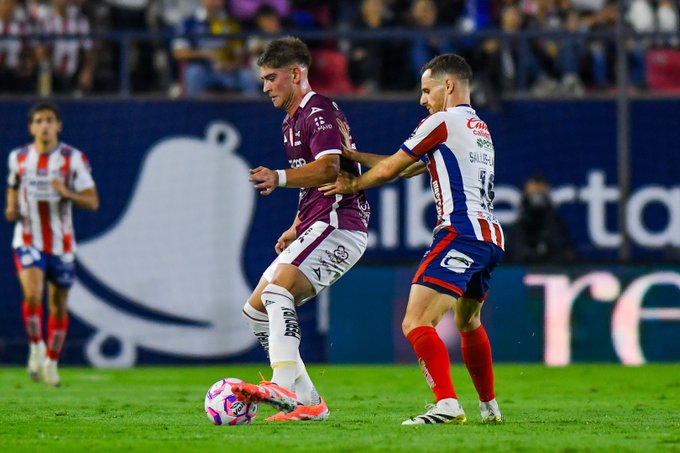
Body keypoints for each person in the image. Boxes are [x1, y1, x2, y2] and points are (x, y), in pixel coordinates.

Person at [320, 53, 505, 425]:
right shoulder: (478, 129)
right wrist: (354, 155)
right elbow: (407, 168)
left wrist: (353, 183)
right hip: (489, 238)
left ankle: (447, 405)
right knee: (468, 322)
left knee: (415, 322)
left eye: (427, 90)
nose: (423, 99)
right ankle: (490, 408)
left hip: (461, 233)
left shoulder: (441, 121)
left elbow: (392, 168)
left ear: (448, 86)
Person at [230, 37, 370, 421]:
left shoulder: (318, 110)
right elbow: (314, 181)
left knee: (278, 291)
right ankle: (309, 402)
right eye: (262, 79)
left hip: (340, 223)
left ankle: (283, 385)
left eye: (271, 78)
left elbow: (328, 168)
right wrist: (296, 225)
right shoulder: (292, 119)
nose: (264, 87)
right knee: (254, 311)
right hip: (316, 222)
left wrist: (277, 176)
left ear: (295, 73)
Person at [4, 101, 99, 386]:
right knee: (33, 295)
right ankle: (36, 348)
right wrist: (10, 207)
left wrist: (65, 192)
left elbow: (92, 201)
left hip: (61, 244)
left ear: (58, 125)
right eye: (39, 121)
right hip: (28, 239)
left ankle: (51, 363)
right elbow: (13, 187)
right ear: (31, 127)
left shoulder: (73, 158)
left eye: (49, 120)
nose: (44, 125)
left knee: (58, 307)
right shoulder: (18, 157)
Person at [505, 174, 576, 264]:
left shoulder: (556, 227)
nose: (536, 198)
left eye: (541, 192)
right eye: (532, 193)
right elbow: (512, 258)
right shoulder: (517, 229)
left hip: (552, 273)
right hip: (520, 272)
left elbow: (566, 254)